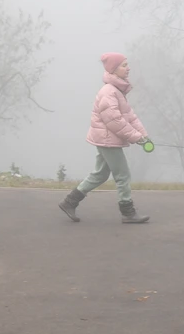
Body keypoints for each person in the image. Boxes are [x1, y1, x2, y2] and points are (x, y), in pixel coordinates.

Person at [59, 52, 151, 224]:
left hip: (107, 139)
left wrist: (144, 136)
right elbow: (115, 121)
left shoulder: (116, 91)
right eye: (124, 65)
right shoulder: (108, 93)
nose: (128, 68)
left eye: (127, 64)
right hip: (108, 140)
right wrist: (136, 138)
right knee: (123, 175)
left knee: (100, 174)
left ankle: (69, 202)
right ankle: (127, 211)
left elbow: (130, 116)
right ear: (113, 69)